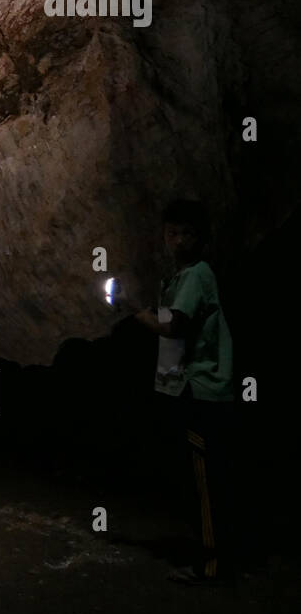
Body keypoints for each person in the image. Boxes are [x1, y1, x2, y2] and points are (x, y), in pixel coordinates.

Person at [119, 199, 235, 583]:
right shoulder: (181, 277)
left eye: (187, 233)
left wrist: (137, 312)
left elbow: (175, 329)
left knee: (205, 484)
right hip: (187, 388)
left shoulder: (196, 275)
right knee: (196, 478)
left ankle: (212, 564)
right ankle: (205, 553)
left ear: (200, 237)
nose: (179, 240)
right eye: (172, 233)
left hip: (201, 390)